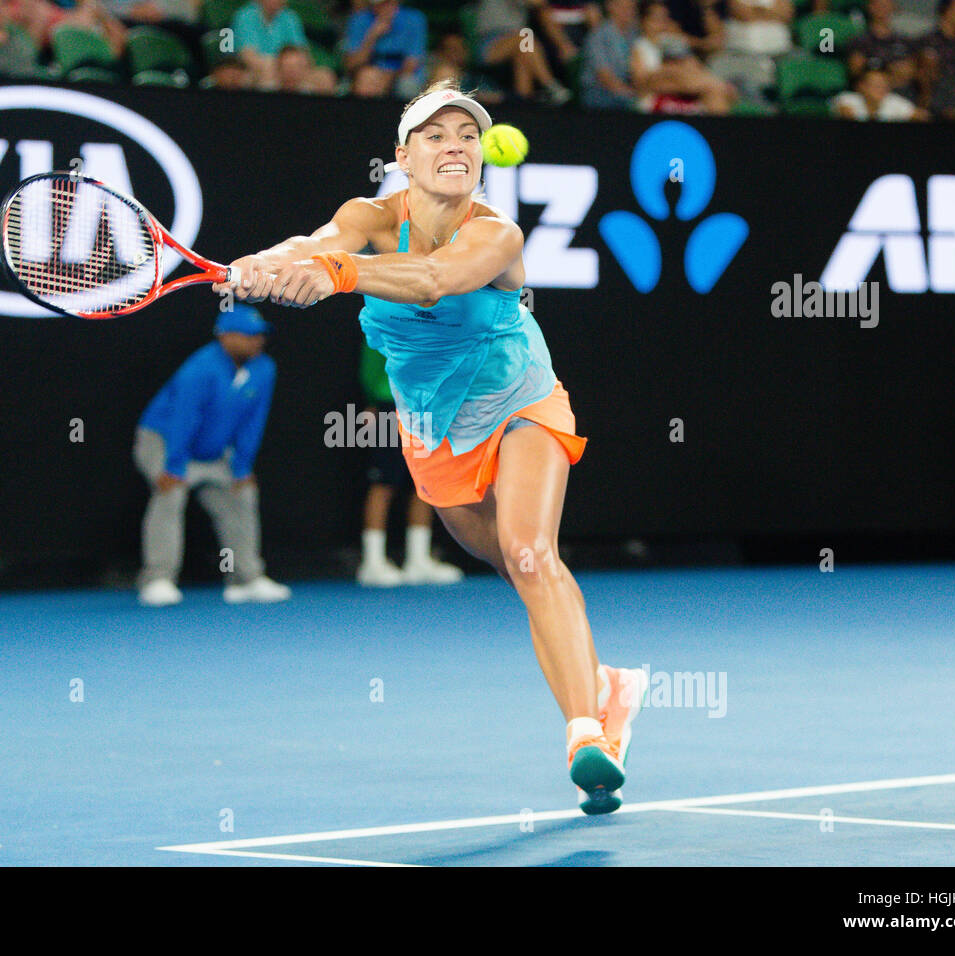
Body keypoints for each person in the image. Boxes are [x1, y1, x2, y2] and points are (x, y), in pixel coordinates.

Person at [212, 81, 647, 814]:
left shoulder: (497, 233)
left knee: (531, 551)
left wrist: (337, 275)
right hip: (433, 426)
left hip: (519, 398)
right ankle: (606, 681)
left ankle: (586, 735)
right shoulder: (369, 216)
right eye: (436, 136)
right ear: (403, 157)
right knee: (506, 563)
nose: (456, 147)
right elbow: (317, 243)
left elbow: (436, 280)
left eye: (468, 136)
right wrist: (268, 262)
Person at [134, 304, 291, 607]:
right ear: (225, 337)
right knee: (171, 494)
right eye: (248, 335)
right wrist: (174, 466)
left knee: (242, 496)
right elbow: (184, 419)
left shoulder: (264, 368)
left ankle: (246, 579)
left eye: (260, 335)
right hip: (163, 441)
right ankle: (158, 579)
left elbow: (252, 422)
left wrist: (242, 467)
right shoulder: (201, 368)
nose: (257, 341)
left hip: (212, 451)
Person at [356, 343, 465, 587]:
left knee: (424, 484)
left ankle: (418, 559)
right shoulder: (381, 313)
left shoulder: (435, 315)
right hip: (390, 404)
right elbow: (370, 369)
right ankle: (372, 563)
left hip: (428, 406)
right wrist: (373, 399)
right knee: (383, 482)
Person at [631, 0, 735, 113]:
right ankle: (717, 85)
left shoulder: (672, 42)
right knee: (680, 73)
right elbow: (642, 84)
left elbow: (695, 67)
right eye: (656, 19)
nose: (661, 24)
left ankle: (716, 88)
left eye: (664, 19)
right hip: (656, 97)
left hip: (685, 92)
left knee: (714, 95)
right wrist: (669, 71)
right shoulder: (640, 47)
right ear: (643, 22)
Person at [343, 0, 428, 101]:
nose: (383, 7)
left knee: (407, 85)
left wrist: (387, 78)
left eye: (387, 3)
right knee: (367, 78)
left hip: (401, 75)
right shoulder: (359, 19)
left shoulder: (414, 19)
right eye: (377, 4)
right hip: (368, 74)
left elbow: (412, 64)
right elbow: (351, 65)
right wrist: (372, 36)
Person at [232, 0, 308, 89]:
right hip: (255, 70)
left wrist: (293, 68)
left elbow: (302, 53)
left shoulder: (290, 17)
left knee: (322, 76)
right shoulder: (245, 16)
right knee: (266, 78)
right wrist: (279, 68)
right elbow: (249, 57)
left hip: (287, 68)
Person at [580, 0, 639, 110]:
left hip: (629, 88)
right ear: (610, 7)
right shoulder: (598, 35)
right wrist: (633, 95)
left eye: (631, 7)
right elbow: (604, 76)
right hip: (600, 91)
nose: (627, 11)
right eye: (622, 7)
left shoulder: (637, 33)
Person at [831, 67, 925, 120]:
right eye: (876, 85)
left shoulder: (894, 101)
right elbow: (846, 114)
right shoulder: (847, 98)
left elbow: (922, 116)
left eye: (884, 85)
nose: (881, 89)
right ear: (861, 86)